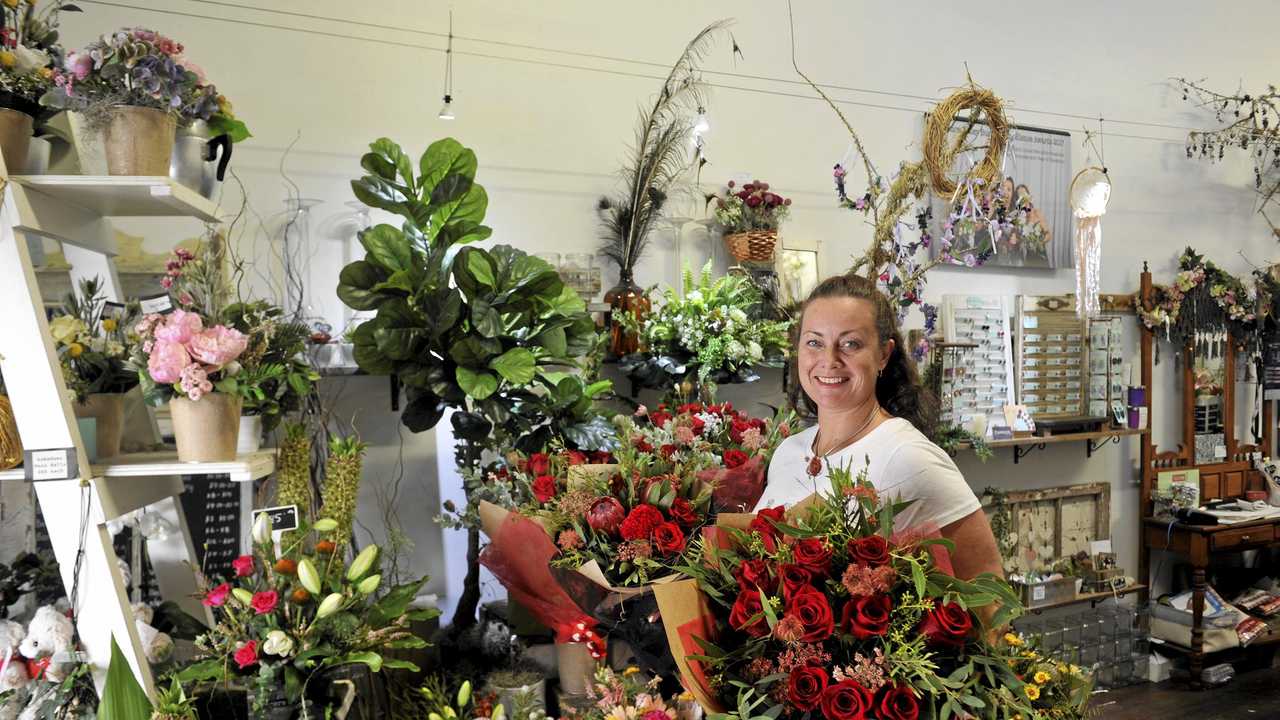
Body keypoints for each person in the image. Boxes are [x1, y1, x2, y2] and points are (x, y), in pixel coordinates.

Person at [756, 274, 1003, 583]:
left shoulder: (908, 457)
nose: (829, 360)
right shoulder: (788, 452)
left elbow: (991, 596)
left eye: (850, 344)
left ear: (883, 354)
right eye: (815, 342)